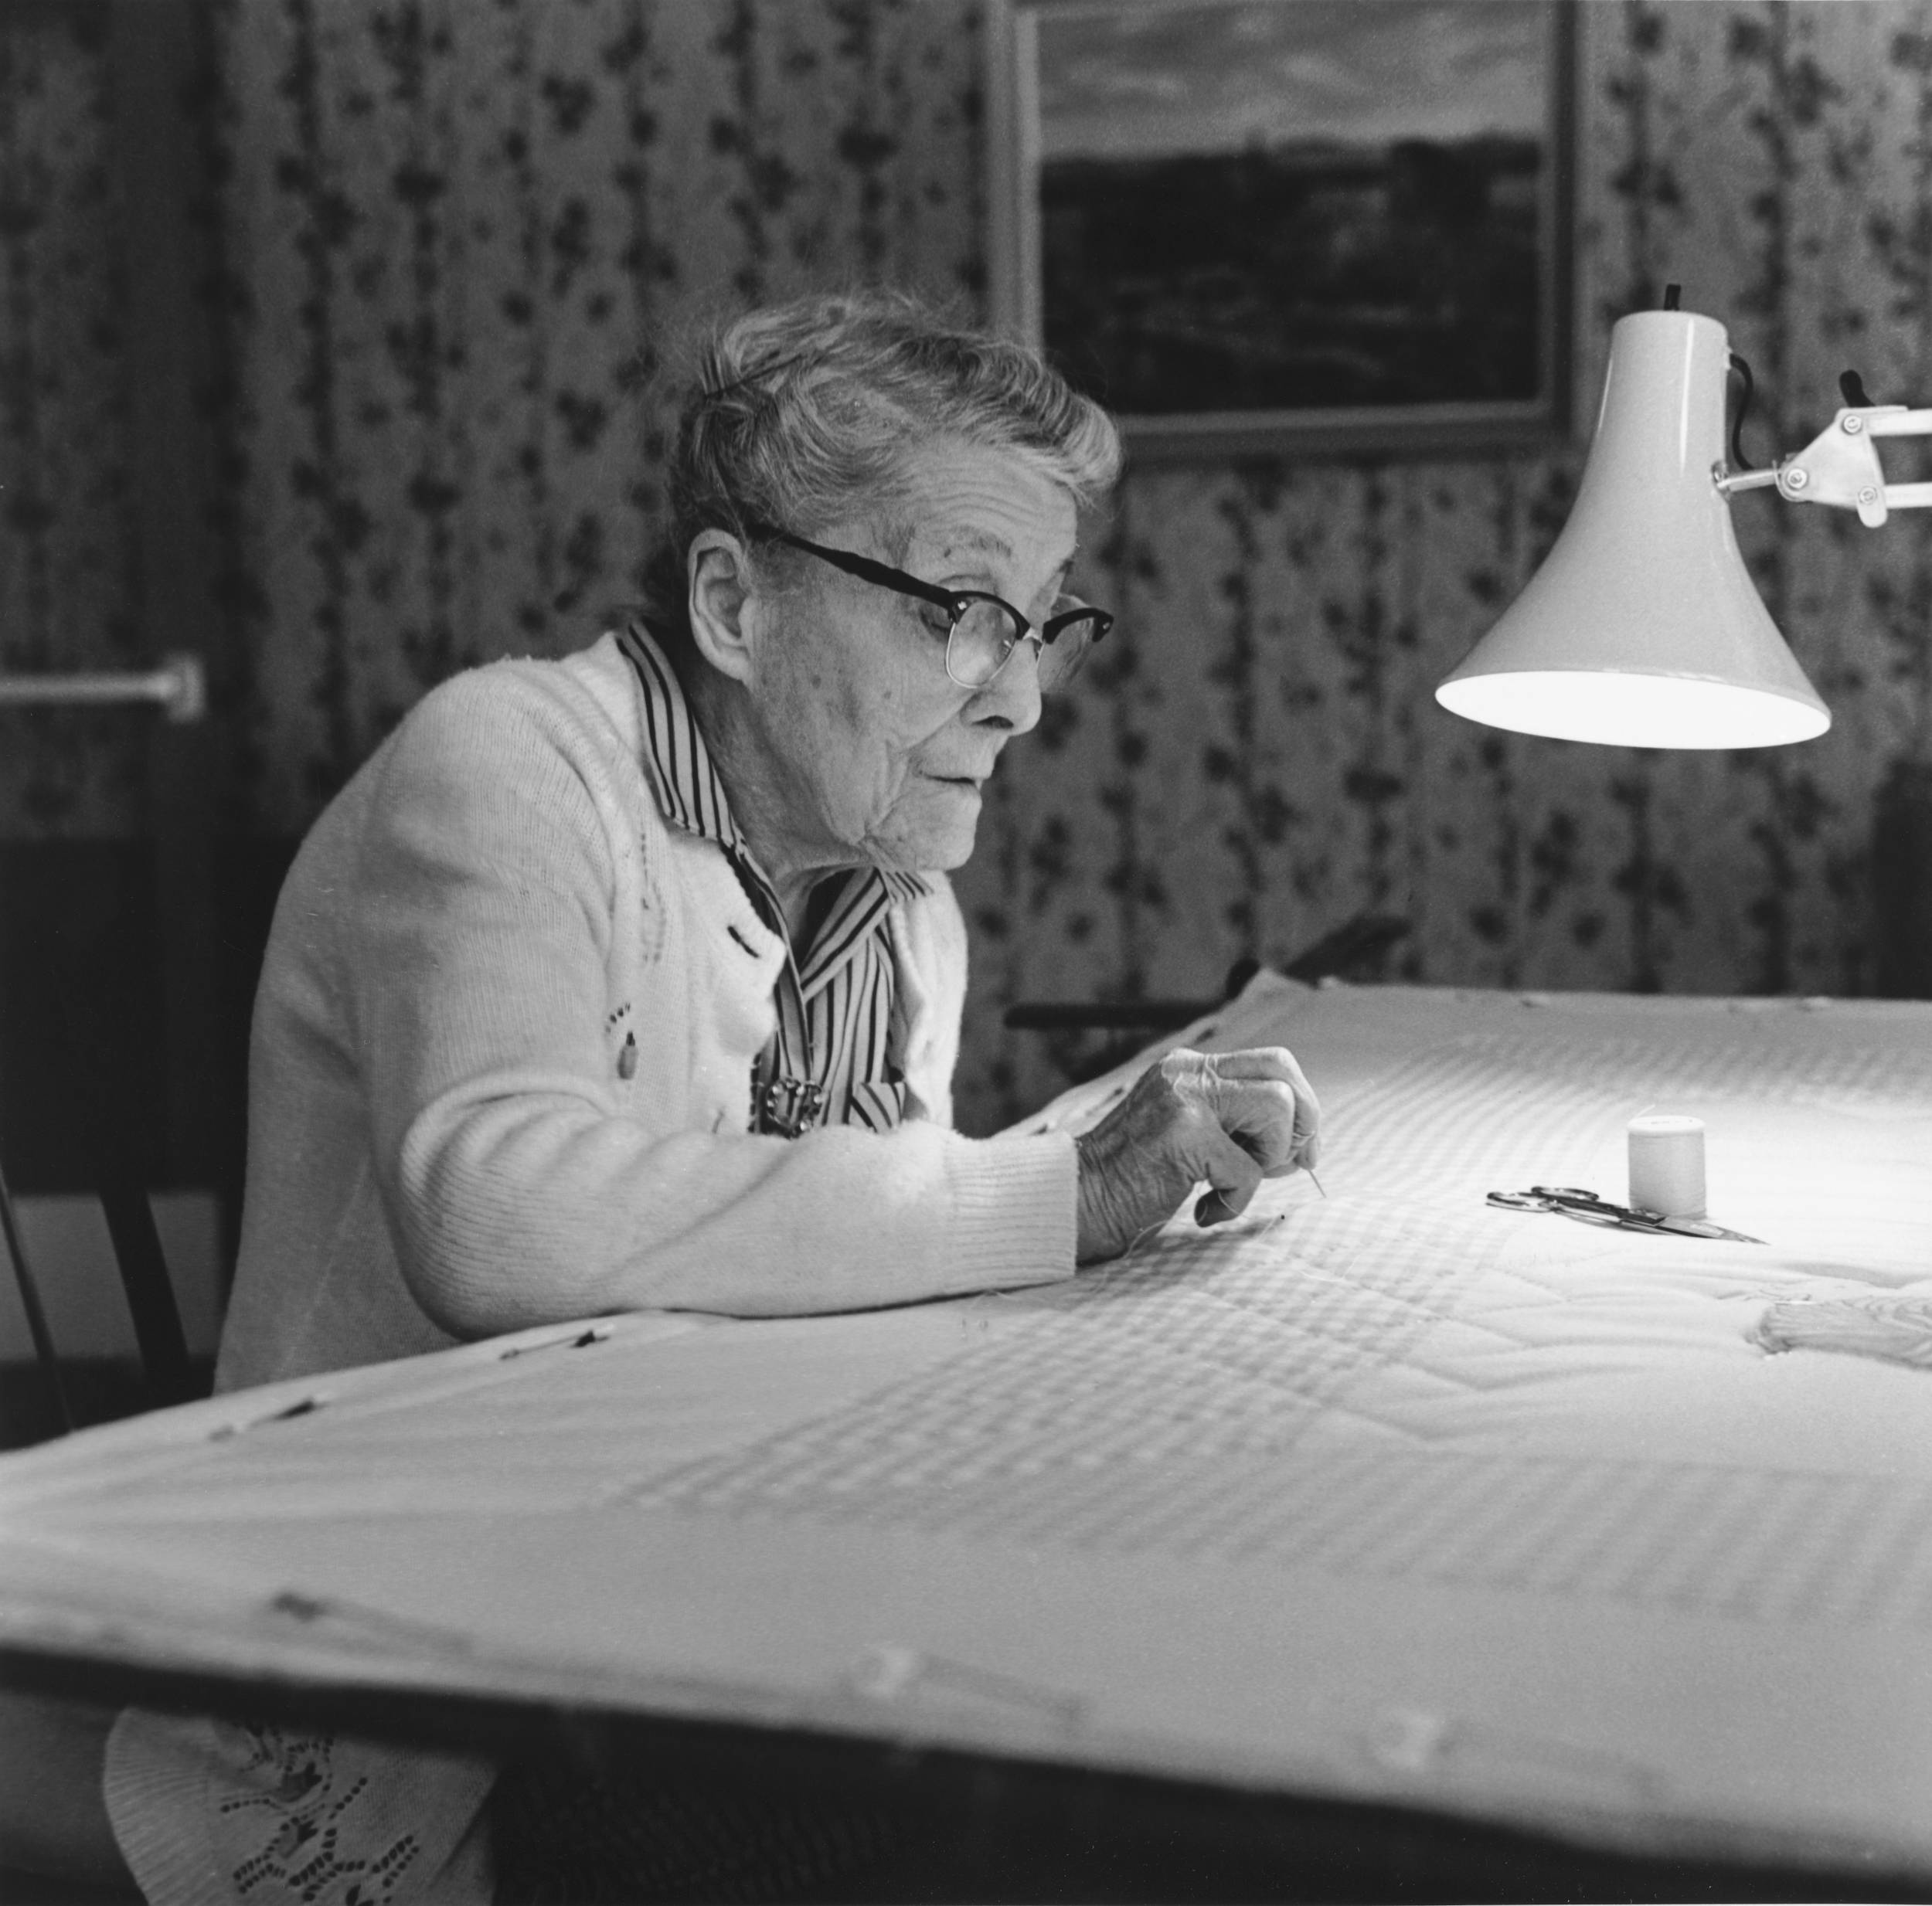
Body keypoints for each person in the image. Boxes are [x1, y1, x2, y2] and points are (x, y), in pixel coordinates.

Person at [95, 290, 1321, 1904]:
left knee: (1169, 1722)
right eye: (959, 608)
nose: (1019, 697)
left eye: (1041, 623)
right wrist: (1050, 1193)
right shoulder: (512, 761)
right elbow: (492, 1206)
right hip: (383, 1709)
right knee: (1038, 1838)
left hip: (652, 1632)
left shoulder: (899, 909)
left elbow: (830, 1319)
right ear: (734, 604)